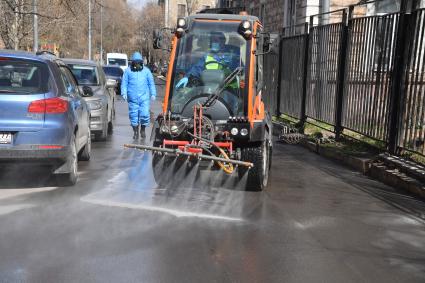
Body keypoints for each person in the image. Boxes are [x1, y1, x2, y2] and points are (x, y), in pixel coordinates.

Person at [121, 52, 156, 139]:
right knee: (133, 115)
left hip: (144, 98)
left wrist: (153, 93)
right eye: (135, 63)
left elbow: (151, 83)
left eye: (138, 62)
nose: (136, 65)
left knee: (144, 114)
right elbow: (124, 83)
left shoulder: (146, 71)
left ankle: (143, 130)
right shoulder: (128, 71)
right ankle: (135, 132)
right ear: (132, 62)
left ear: (141, 62)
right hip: (132, 98)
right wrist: (124, 93)